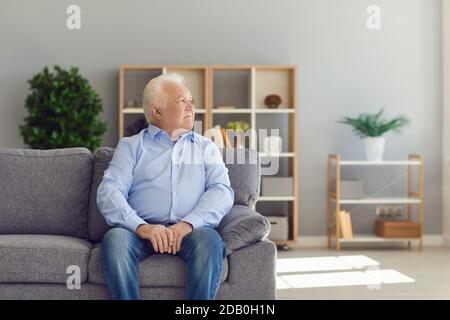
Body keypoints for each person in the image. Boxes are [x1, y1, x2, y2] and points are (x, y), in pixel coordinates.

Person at [96, 73, 234, 300]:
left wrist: (187, 224)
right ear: (156, 112)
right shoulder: (131, 146)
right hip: (140, 232)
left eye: (191, 100)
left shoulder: (205, 147)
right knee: (116, 240)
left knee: (210, 241)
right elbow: (109, 191)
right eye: (182, 101)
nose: (191, 107)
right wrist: (142, 227)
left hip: (192, 231)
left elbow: (222, 190)